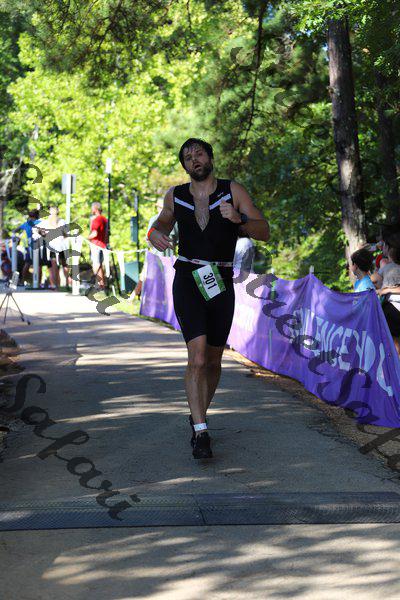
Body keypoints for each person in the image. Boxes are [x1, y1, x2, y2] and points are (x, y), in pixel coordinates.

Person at [148, 138, 269, 459]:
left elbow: (264, 231)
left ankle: (197, 413)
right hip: (188, 277)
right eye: (188, 157)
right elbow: (161, 223)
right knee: (198, 357)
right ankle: (201, 431)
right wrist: (154, 233)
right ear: (184, 166)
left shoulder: (233, 191)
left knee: (214, 360)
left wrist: (240, 220)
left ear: (210, 157)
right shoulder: (176, 195)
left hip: (221, 280)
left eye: (199, 153)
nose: (194, 160)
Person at [375, 242, 400, 357]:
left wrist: (385, 290)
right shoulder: (388, 267)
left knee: (395, 342)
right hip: (392, 309)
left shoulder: (387, 268)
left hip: (392, 308)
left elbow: (373, 279)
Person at [35, 206, 69, 289]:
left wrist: (45, 235)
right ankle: (67, 285)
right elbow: (66, 234)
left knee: (54, 266)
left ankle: (56, 285)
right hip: (62, 246)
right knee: (64, 265)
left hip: (52, 247)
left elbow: (36, 230)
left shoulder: (46, 222)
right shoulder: (62, 221)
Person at [13, 209, 40, 285]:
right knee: (39, 264)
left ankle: (22, 281)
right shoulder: (40, 222)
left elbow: (15, 230)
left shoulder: (26, 223)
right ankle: (38, 283)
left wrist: (16, 236)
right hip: (38, 246)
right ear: (37, 215)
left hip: (29, 246)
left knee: (27, 264)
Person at [88, 202, 108, 290]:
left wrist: (86, 238)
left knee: (96, 264)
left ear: (95, 209)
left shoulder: (97, 219)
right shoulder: (105, 219)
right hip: (103, 244)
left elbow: (94, 233)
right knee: (99, 265)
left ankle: (97, 284)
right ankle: (101, 285)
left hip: (96, 244)